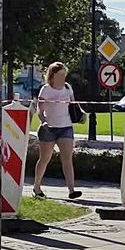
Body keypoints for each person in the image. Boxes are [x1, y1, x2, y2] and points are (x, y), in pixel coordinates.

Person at [31, 62, 83, 200]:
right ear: (52, 75)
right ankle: (37, 187)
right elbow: (40, 110)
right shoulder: (46, 89)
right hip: (49, 129)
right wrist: (44, 122)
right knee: (45, 158)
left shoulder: (67, 87)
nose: (62, 77)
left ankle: (72, 190)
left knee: (67, 159)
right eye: (60, 75)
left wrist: (81, 114)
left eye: (64, 75)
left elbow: (73, 105)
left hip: (65, 127)